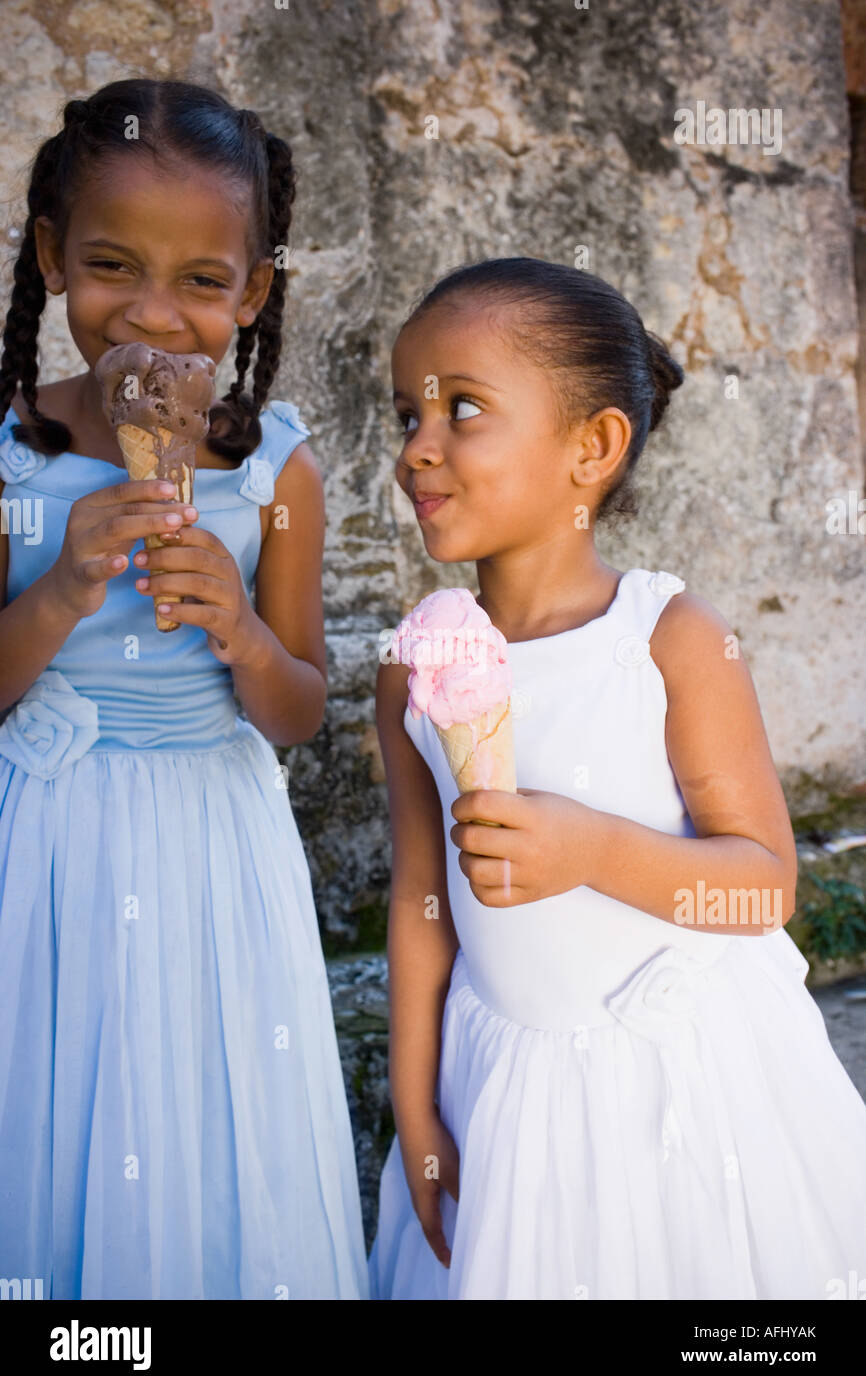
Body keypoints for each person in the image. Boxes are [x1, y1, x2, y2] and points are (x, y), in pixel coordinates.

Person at [368, 256, 866, 1300]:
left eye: (462, 409)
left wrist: (588, 848)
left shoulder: (669, 639)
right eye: (406, 411)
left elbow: (761, 884)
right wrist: (414, 1106)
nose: (417, 446)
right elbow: (421, 902)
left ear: (590, 447)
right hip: (509, 1086)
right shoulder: (415, 663)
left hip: (684, 1078)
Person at [0, 79, 367, 1299]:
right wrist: (59, 588)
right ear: (52, 258)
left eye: (203, 283)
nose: (151, 315)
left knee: (211, 1108)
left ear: (253, 292)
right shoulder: (14, 454)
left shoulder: (276, 472)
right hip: (49, 842)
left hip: (216, 845)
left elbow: (298, 711)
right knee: (58, 1115)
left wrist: (244, 633)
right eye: (111, 267)